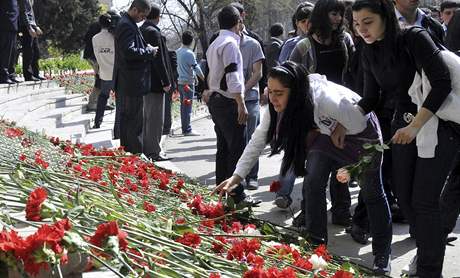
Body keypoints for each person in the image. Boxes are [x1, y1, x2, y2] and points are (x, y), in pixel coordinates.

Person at [213, 61, 392, 275]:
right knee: (313, 181)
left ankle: (382, 255)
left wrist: (342, 126)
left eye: (279, 93)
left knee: (372, 192)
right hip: (326, 138)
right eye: (270, 92)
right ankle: (317, 247)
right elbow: (258, 139)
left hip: (361, 135)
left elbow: (358, 119)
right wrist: (237, 176)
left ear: (296, 90)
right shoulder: (276, 106)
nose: (273, 99)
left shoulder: (326, 100)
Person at [352, 0, 459, 276]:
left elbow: (442, 83)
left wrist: (416, 126)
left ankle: (428, 269)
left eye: (368, 22)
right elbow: (372, 97)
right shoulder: (368, 49)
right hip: (404, 124)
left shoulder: (414, 37)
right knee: (407, 200)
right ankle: (427, 254)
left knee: (424, 202)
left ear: (385, 16)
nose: (362, 29)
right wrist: (344, 122)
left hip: (439, 122)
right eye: (356, 23)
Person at [285, 0, 354, 227]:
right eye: (334, 13)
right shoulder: (304, 46)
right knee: (314, 167)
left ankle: (342, 211)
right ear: (323, 15)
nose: (338, 19)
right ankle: (309, 212)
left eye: (341, 14)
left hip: (342, 111)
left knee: (341, 166)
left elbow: (354, 74)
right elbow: (290, 77)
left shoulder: (346, 40)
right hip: (315, 115)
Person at [204, 5, 255, 205]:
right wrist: (240, 103)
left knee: (224, 148)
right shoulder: (231, 44)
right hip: (228, 101)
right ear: (238, 23)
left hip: (217, 101)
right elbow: (233, 75)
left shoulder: (215, 42)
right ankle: (237, 194)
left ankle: (222, 190)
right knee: (237, 149)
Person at [113, 0, 157, 154]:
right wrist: (149, 52)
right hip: (131, 82)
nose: (143, 19)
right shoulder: (126, 24)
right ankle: (135, 154)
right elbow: (129, 52)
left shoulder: (127, 23)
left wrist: (145, 47)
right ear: (136, 10)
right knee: (133, 122)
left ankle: (128, 153)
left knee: (128, 121)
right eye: (143, 16)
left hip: (128, 81)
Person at [140, 3, 172, 162]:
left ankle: (148, 148)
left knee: (148, 117)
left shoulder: (142, 29)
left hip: (145, 81)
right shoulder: (153, 32)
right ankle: (153, 151)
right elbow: (159, 60)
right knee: (155, 118)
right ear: (158, 17)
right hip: (155, 83)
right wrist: (166, 81)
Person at [239, 18, 265, 190]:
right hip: (230, 100)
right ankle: (237, 176)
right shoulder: (222, 42)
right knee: (237, 140)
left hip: (251, 97)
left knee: (252, 138)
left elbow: (258, 72)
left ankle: (252, 176)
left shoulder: (253, 44)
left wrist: (244, 89)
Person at [176, 30, 205, 136]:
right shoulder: (189, 53)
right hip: (188, 84)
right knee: (187, 106)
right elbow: (196, 68)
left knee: (183, 106)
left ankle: (185, 128)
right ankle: (187, 129)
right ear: (192, 41)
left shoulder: (178, 52)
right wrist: (203, 78)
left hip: (180, 83)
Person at [92, 13, 115, 129]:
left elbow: (96, 55)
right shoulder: (114, 37)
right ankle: (119, 125)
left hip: (104, 72)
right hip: (116, 72)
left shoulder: (95, 38)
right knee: (120, 99)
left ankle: (97, 121)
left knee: (103, 97)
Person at [18, 0, 44, 82]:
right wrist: (29, 27)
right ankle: (28, 75)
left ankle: (36, 73)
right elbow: (24, 12)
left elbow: (31, 14)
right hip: (26, 27)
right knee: (28, 52)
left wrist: (36, 26)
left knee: (36, 52)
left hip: (32, 26)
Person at [0, 0, 22, 84]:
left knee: (12, 53)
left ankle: (11, 75)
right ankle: (4, 76)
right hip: (5, 25)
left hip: (14, 27)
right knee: (5, 53)